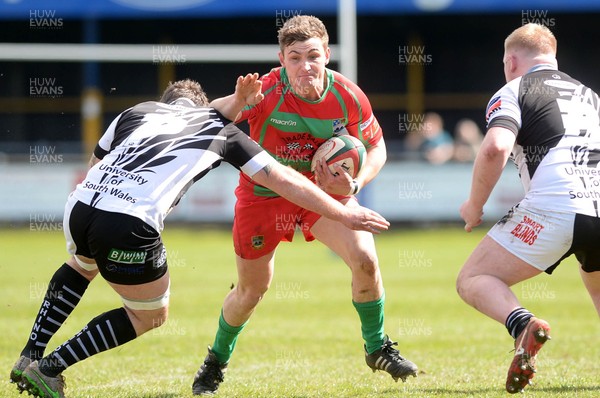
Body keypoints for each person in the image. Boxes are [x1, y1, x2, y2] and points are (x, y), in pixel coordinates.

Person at [10, 76, 391, 398]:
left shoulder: (137, 112)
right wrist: (343, 211)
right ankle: (51, 366)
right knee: (149, 315)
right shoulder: (218, 129)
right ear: (204, 106)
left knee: (81, 264)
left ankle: (30, 353)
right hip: (128, 221)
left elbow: (96, 165)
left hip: (80, 207)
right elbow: (284, 178)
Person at [193, 15, 418, 395]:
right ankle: (216, 359)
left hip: (320, 194)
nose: (304, 66)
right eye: (294, 57)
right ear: (282, 60)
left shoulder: (347, 96)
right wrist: (236, 100)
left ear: (327, 55)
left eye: (312, 55)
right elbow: (210, 117)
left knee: (365, 259)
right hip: (263, 195)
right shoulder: (265, 90)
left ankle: (377, 346)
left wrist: (357, 182)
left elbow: (376, 145)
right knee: (252, 290)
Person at [456, 23, 600, 394]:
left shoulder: (514, 89)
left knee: (473, 279)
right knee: (598, 287)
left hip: (555, 207)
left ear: (511, 61)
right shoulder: (589, 95)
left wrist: (475, 206)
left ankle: (523, 325)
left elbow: (494, 148)